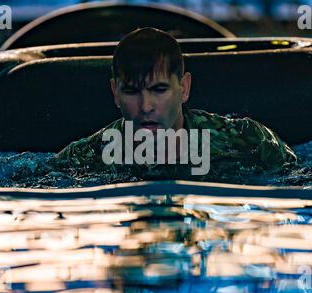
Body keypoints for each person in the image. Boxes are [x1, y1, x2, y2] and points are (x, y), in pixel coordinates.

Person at [56, 27, 297, 179]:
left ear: (184, 88)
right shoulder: (84, 158)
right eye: (131, 92)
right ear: (115, 93)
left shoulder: (248, 141)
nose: (146, 106)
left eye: (159, 90)